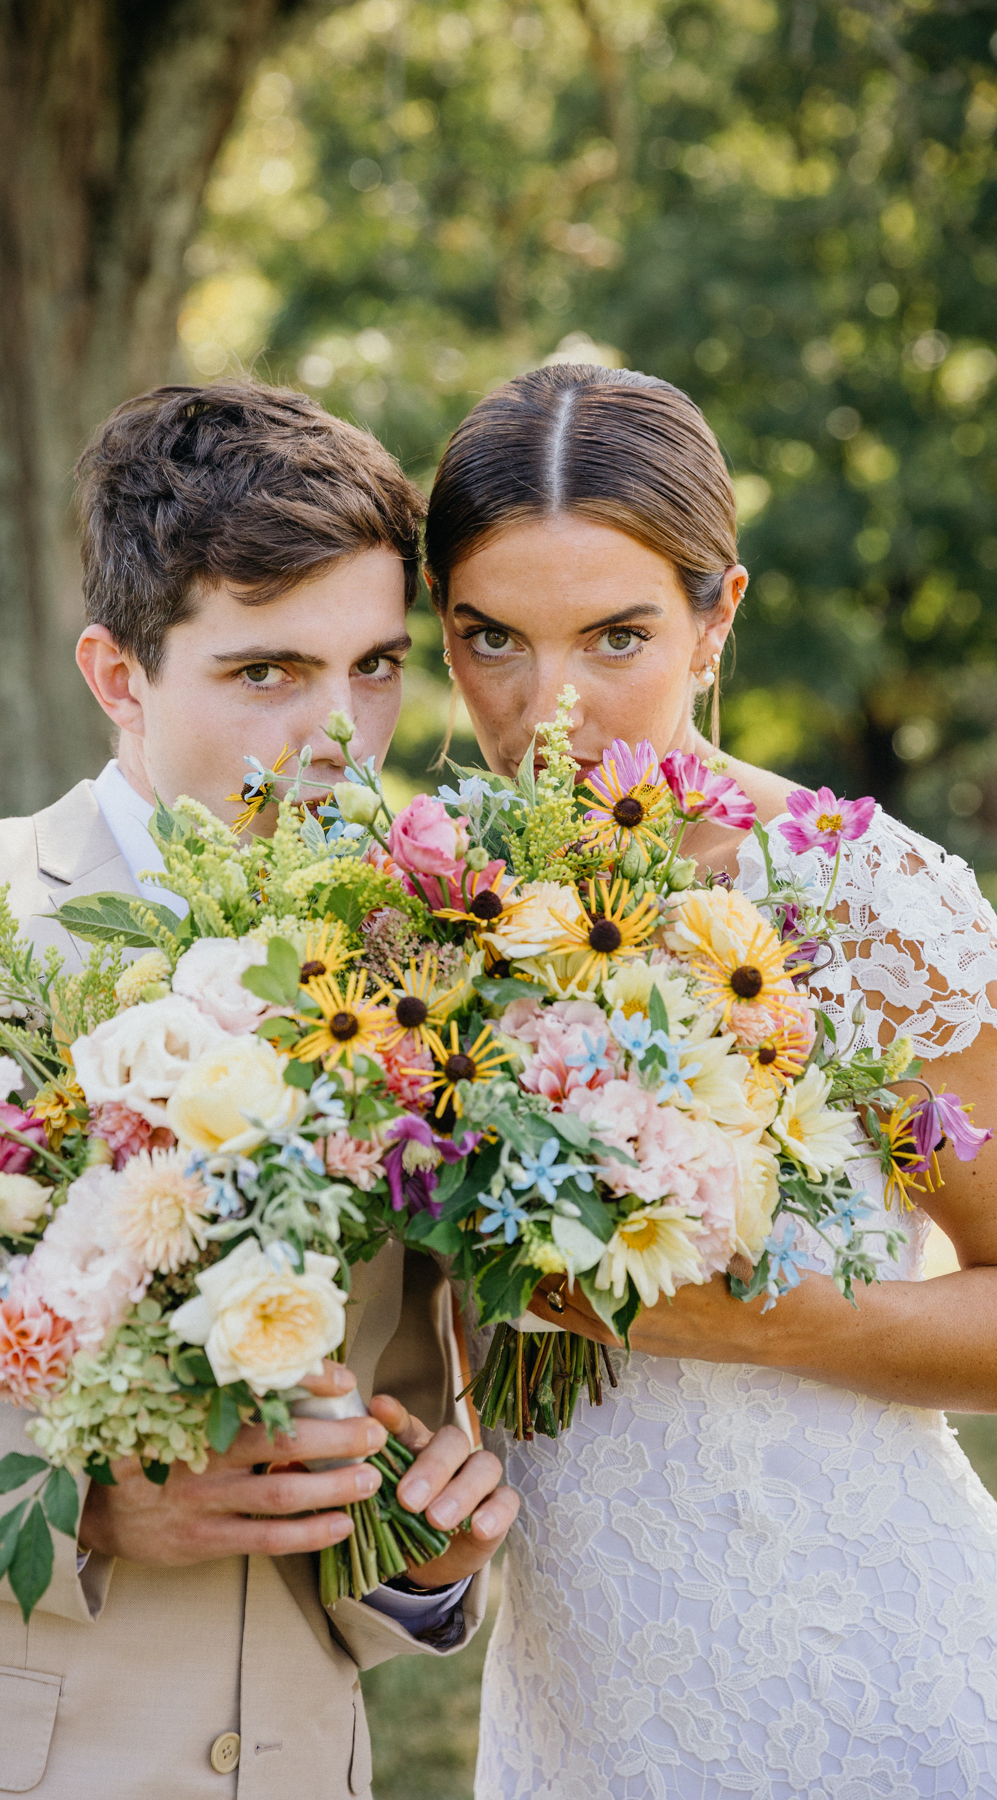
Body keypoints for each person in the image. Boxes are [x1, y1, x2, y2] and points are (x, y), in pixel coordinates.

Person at [0, 381, 516, 1800]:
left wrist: (423, 1567)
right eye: (269, 673)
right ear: (119, 677)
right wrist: (85, 1505)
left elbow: (396, 1410)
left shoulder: (425, 972)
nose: (339, 737)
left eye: (376, 666)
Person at [424, 361, 997, 1799]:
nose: (552, 707)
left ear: (715, 616)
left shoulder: (862, 891)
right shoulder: (403, 915)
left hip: (875, 1684)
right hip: (577, 1713)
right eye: (492, 638)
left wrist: (769, 1326)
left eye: (617, 635)